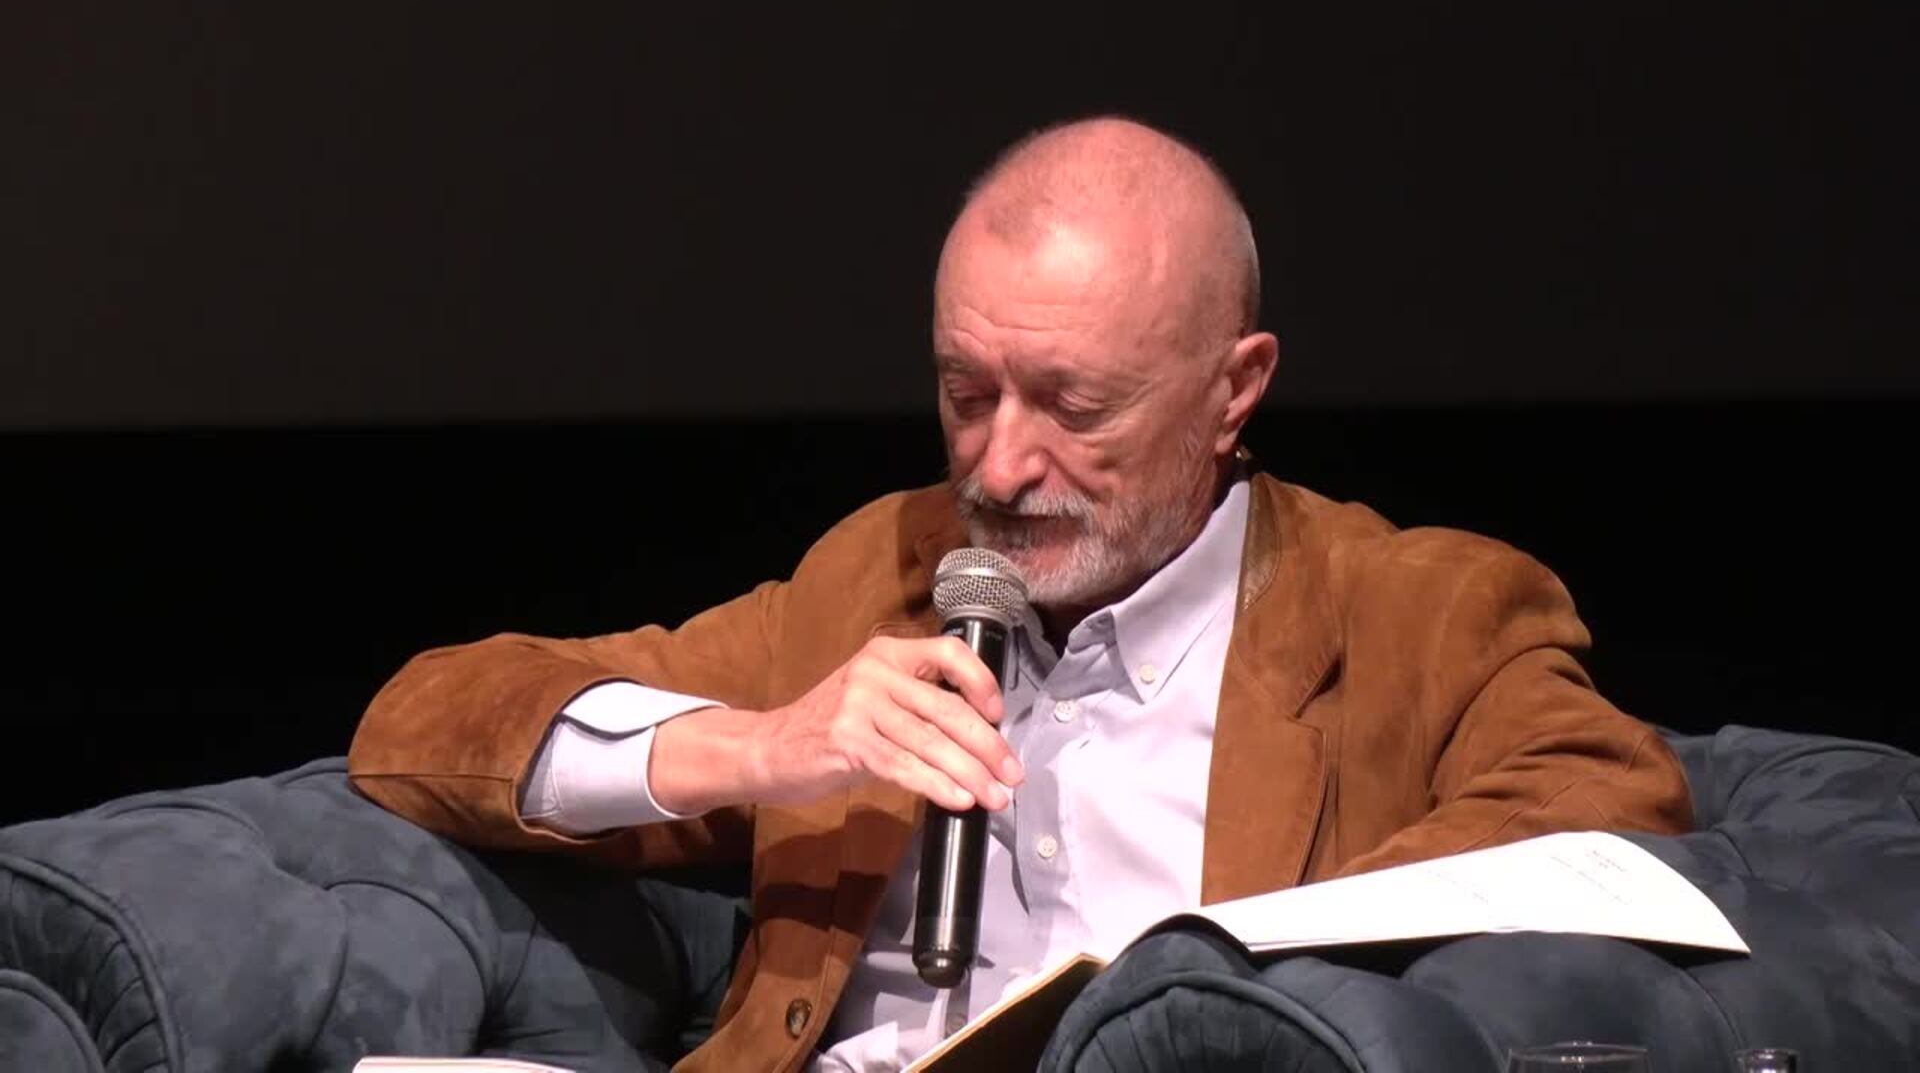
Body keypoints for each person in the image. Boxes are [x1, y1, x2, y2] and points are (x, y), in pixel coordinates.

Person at [347, 116, 1692, 1072]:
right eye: (965, 392)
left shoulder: (1418, 611)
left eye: (1073, 408)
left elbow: (1605, 797)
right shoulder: (874, 574)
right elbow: (427, 719)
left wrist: (1214, 969)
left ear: (1234, 390)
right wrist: (758, 747)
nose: (998, 467)